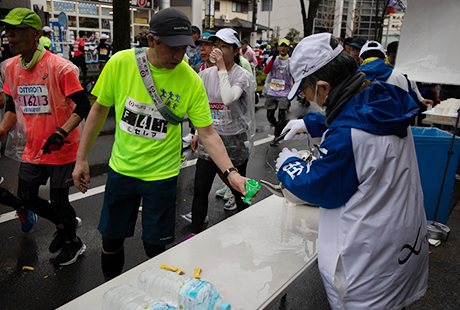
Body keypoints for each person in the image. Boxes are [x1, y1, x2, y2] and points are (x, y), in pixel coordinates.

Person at [71, 8, 252, 280]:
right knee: (111, 241)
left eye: (185, 49)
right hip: (122, 171)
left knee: (156, 247)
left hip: (162, 177)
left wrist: (231, 173)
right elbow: (98, 110)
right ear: (152, 40)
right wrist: (81, 158)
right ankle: (110, 292)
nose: (180, 56)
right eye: (174, 48)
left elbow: (208, 133)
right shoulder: (121, 63)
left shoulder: (190, 80)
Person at [277, 33, 428, 310]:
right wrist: (310, 123)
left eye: (306, 92)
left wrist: (289, 165)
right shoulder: (383, 97)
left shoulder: (348, 136)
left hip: (368, 267)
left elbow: (320, 186)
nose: (306, 98)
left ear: (323, 87)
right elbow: (356, 114)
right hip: (403, 246)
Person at [0, 8, 90, 266]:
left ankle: (74, 242)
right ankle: (64, 225)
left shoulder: (59, 67)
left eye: (16, 30)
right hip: (34, 148)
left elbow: (83, 104)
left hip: (62, 146)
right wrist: (3, 129)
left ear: (36, 34)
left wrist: (62, 132)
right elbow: (10, 106)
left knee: (59, 199)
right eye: (7, 30)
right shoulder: (11, 68)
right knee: (27, 198)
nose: (9, 35)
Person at [184, 28, 255, 234]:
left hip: (234, 139)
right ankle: (195, 235)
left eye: (224, 46)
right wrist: (197, 132)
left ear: (235, 50)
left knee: (239, 189)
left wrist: (222, 67)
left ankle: (245, 231)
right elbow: (202, 106)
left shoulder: (242, 75)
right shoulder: (204, 74)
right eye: (217, 46)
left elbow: (227, 98)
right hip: (211, 138)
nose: (218, 50)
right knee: (200, 189)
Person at [359, 40, 433, 126]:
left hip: (362, 128)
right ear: (384, 59)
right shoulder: (400, 77)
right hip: (394, 129)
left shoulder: (353, 78)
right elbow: (408, 106)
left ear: (360, 60)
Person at [263, 38, 292, 140]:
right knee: (270, 116)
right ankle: (279, 126)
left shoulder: (290, 61)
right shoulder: (272, 58)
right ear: (278, 47)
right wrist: (273, 58)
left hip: (284, 92)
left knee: (281, 116)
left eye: (285, 46)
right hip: (272, 91)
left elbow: (294, 76)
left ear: (288, 48)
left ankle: (277, 135)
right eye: (281, 46)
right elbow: (266, 71)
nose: (283, 48)